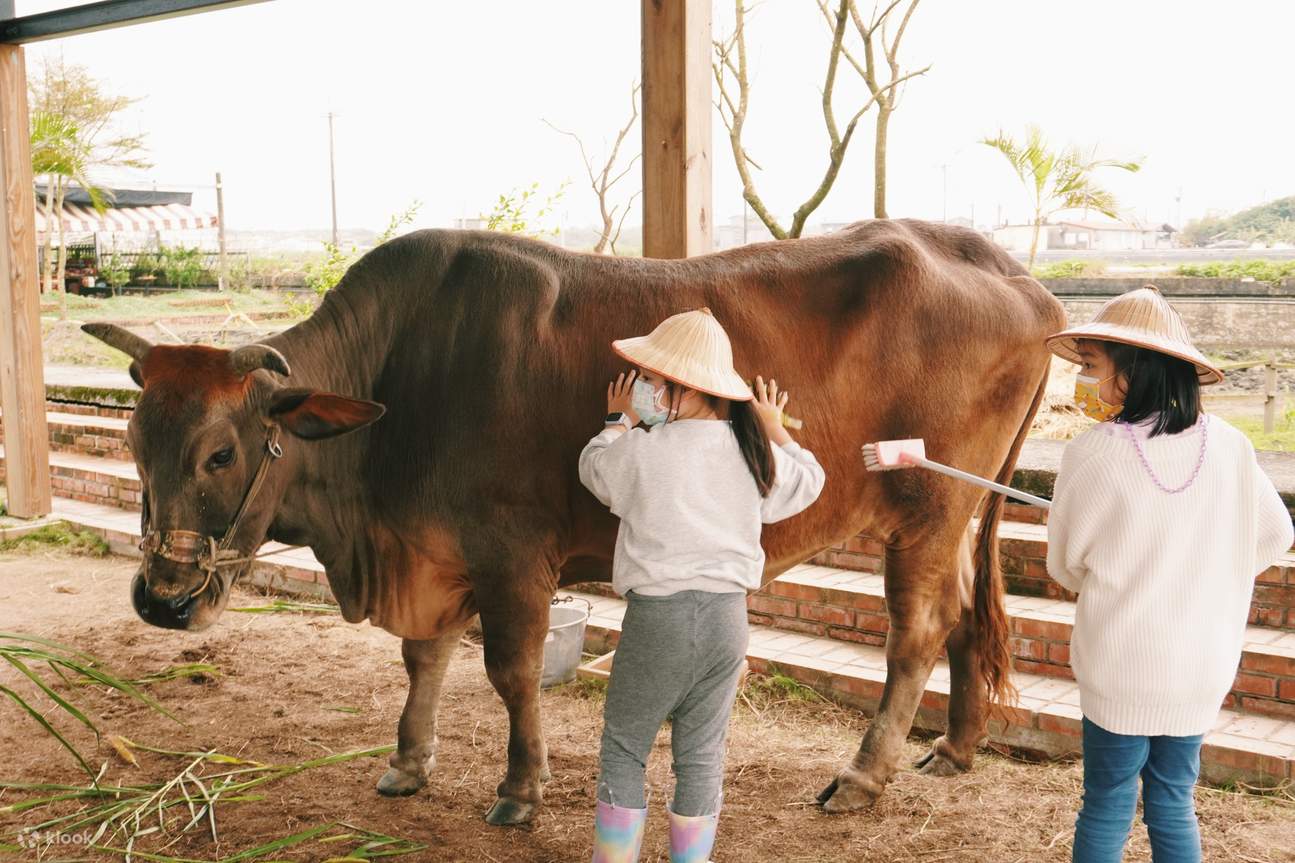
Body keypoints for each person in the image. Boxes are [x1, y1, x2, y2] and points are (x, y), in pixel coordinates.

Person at [1044, 286, 1294, 863]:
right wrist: (1212, 569)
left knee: (1106, 801)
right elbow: (1275, 533)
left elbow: (1066, 566)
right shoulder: (1232, 445)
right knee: (1175, 800)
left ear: (1133, 371)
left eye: (1090, 365)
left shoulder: (1092, 453)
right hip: (1200, 664)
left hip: (1120, 664)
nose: (1082, 379)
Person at [579, 307, 825, 863]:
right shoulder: (753, 451)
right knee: (701, 754)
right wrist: (776, 429)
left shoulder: (643, 449)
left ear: (684, 387)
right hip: (727, 622)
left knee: (625, 747)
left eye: (650, 380)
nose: (643, 390)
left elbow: (594, 468)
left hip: (660, 619)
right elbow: (809, 481)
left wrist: (618, 420)